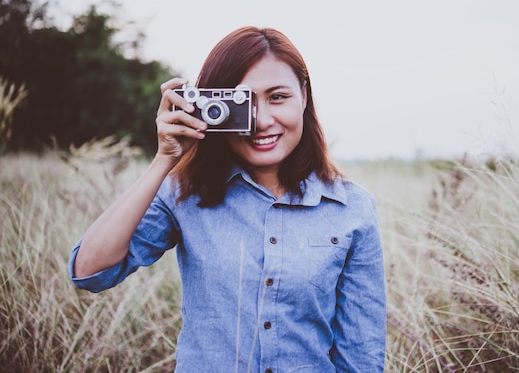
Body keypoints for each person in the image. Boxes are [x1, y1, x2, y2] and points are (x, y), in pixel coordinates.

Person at [68, 26, 386, 372]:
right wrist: (165, 160)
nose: (262, 121)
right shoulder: (185, 194)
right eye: (242, 103)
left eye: (278, 97)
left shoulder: (352, 209)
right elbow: (90, 273)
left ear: (304, 96)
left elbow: (362, 356)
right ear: (211, 106)